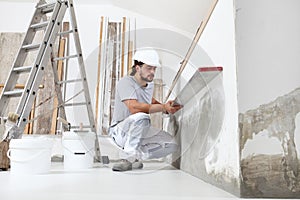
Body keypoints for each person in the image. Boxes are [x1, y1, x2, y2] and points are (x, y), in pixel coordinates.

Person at [108, 48, 182, 172]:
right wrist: (162, 107)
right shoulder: (125, 82)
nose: (152, 72)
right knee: (142, 117)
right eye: (149, 68)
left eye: (154, 69)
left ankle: (134, 157)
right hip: (119, 132)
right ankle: (126, 158)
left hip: (138, 130)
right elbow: (134, 107)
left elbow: (149, 100)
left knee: (171, 145)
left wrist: (165, 108)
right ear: (138, 68)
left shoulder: (149, 84)